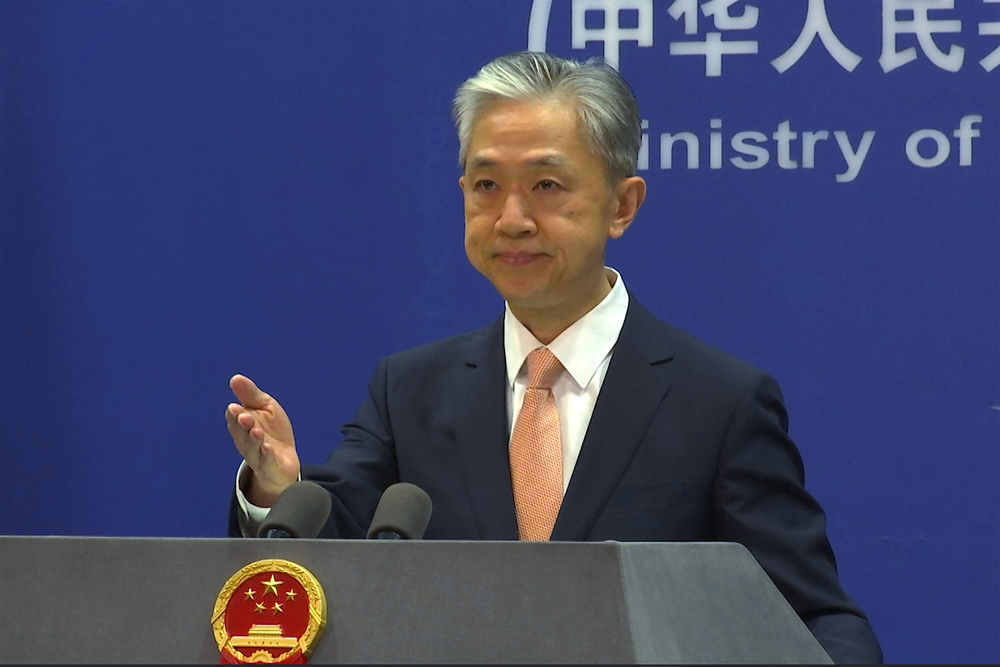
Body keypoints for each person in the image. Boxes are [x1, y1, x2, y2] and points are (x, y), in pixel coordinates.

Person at [225, 51, 882, 664]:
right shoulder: (410, 390)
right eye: (487, 185)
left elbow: (816, 620)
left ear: (621, 205)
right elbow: (331, 566)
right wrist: (277, 486)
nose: (511, 218)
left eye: (546, 184)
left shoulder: (718, 403)